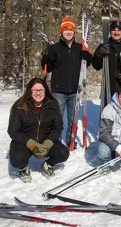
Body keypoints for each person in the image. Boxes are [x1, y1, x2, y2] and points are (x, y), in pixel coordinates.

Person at [41, 15, 93, 145]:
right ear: (61, 32)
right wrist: (46, 60)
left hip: (75, 90)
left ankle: (71, 141)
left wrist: (88, 57)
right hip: (59, 90)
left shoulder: (79, 47)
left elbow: (85, 66)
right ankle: (56, 143)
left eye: (71, 29)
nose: (68, 32)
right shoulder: (54, 48)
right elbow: (48, 68)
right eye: (65, 29)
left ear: (74, 32)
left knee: (72, 119)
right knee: (57, 119)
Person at [8, 78, 70, 183]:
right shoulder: (19, 106)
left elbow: (57, 127)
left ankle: (47, 165)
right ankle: (23, 168)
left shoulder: (53, 106)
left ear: (45, 91)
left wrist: (47, 144)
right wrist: (31, 144)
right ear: (29, 91)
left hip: (44, 140)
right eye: (35, 90)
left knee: (63, 153)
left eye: (41, 90)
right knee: (17, 159)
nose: (38, 93)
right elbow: (13, 131)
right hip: (25, 142)